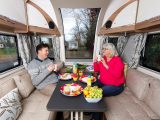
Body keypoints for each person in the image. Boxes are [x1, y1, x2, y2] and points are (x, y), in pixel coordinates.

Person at [91, 43, 125, 120]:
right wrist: (95, 62)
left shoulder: (118, 60)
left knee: (98, 93)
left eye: (105, 49)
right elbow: (97, 70)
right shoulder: (104, 59)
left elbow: (117, 75)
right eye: (103, 49)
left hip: (116, 86)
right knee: (90, 87)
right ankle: (89, 110)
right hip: (103, 82)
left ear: (111, 51)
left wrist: (106, 65)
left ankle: (95, 118)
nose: (103, 50)